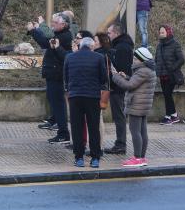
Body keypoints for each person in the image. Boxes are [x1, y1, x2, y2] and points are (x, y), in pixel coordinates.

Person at [64, 37, 109, 168]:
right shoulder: (99, 57)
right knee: (93, 128)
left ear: (80, 45)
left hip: (75, 96)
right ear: (92, 46)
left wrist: (70, 89)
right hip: (92, 97)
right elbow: (103, 78)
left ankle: (79, 158)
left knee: (77, 128)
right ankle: (95, 158)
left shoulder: (70, 57)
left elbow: (65, 77)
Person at [28, 13, 73, 143]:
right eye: (52, 22)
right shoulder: (59, 34)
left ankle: (63, 133)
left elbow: (45, 43)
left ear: (63, 24)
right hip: (53, 73)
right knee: (56, 103)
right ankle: (61, 130)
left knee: (58, 104)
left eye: (55, 22)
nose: (52, 24)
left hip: (56, 74)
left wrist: (34, 31)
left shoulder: (64, 36)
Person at [111, 47, 156, 168]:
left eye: (136, 58)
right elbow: (135, 83)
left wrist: (115, 76)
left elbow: (129, 86)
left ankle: (138, 158)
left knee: (135, 131)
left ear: (142, 60)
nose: (133, 60)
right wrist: (125, 76)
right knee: (142, 131)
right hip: (143, 104)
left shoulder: (142, 71)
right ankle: (141, 157)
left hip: (137, 104)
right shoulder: (148, 70)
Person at [104, 23, 133, 154]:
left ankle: (121, 144)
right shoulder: (119, 45)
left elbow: (121, 68)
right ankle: (120, 143)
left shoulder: (122, 47)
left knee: (119, 116)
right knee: (118, 116)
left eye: (109, 33)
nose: (107, 35)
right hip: (115, 85)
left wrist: (110, 56)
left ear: (116, 33)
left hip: (118, 87)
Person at [155, 24, 185, 124]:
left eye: (163, 32)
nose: (161, 34)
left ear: (168, 32)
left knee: (167, 94)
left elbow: (181, 59)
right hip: (162, 75)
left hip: (171, 75)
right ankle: (174, 116)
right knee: (166, 95)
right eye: (160, 32)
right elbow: (157, 59)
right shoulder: (159, 45)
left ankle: (168, 116)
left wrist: (172, 68)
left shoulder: (175, 44)